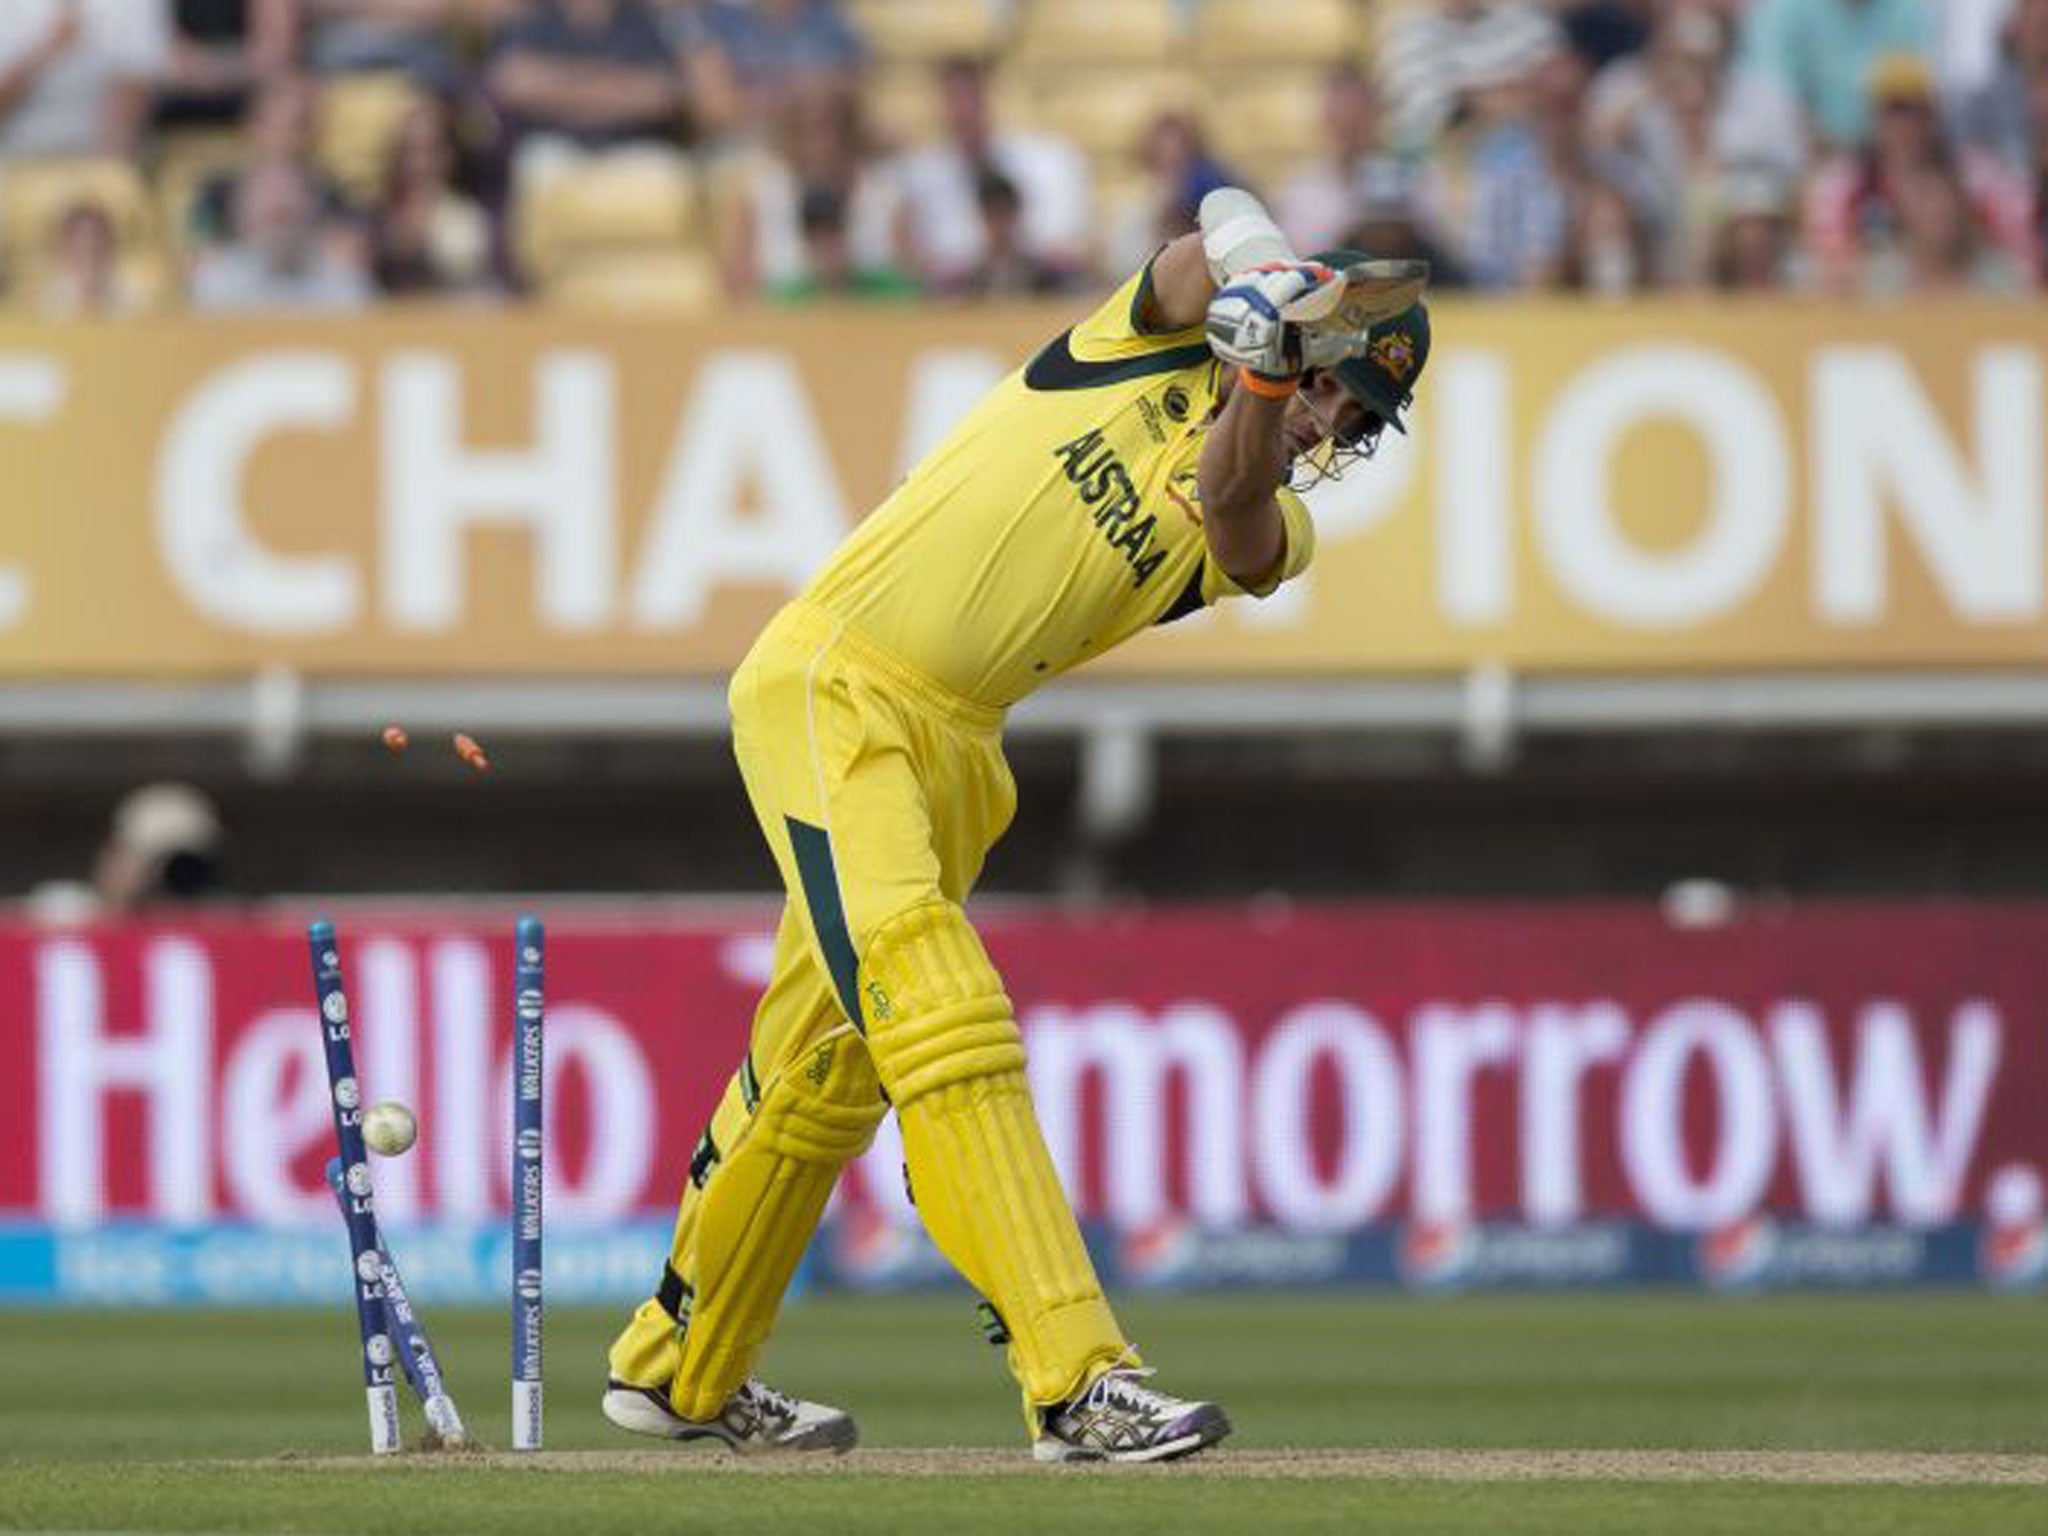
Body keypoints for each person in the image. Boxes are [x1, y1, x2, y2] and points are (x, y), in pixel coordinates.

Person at [601, 185, 1430, 1461]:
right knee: (943, 1012)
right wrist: (1266, 280)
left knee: (829, 1064)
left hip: (956, 755)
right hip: (835, 684)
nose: (1331, 424)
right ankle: (1074, 1380)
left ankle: (679, 1370)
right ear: (1311, 343)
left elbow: (1232, 503)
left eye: (1352, 421)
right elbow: (1205, 229)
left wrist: (1264, 384)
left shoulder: (1276, 517)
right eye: (1333, 392)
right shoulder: (1137, 344)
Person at [896, 54, 1090, 291]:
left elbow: (1067, 248)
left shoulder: (1048, 161)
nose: (963, 111)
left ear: (989, 98)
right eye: (953, 99)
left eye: (971, 98)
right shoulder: (918, 176)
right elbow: (914, 262)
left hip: (1038, 291)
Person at [187, 160, 374, 311]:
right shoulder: (217, 280)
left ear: (313, 214)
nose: (279, 232)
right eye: (269, 217)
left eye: (288, 215)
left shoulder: (343, 280)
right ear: (241, 217)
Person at [0, 0, 171, 161]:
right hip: (16, 158)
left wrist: (103, 171)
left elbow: (134, 85)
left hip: (100, 157)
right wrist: (50, 47)